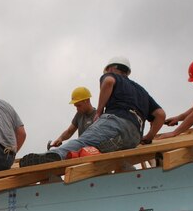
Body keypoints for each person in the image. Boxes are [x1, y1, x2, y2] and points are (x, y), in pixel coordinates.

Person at [20, 56, 166, 167]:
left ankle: (53, 155)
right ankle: (103, 147)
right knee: (94, 149)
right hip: (134, 136)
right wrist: (148, 137)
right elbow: (160, 115)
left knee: (83, 142)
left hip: (116, 121)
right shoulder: (142, 91)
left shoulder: (112, 76)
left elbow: (108, 82)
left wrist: (100, 110)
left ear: (111, 68)